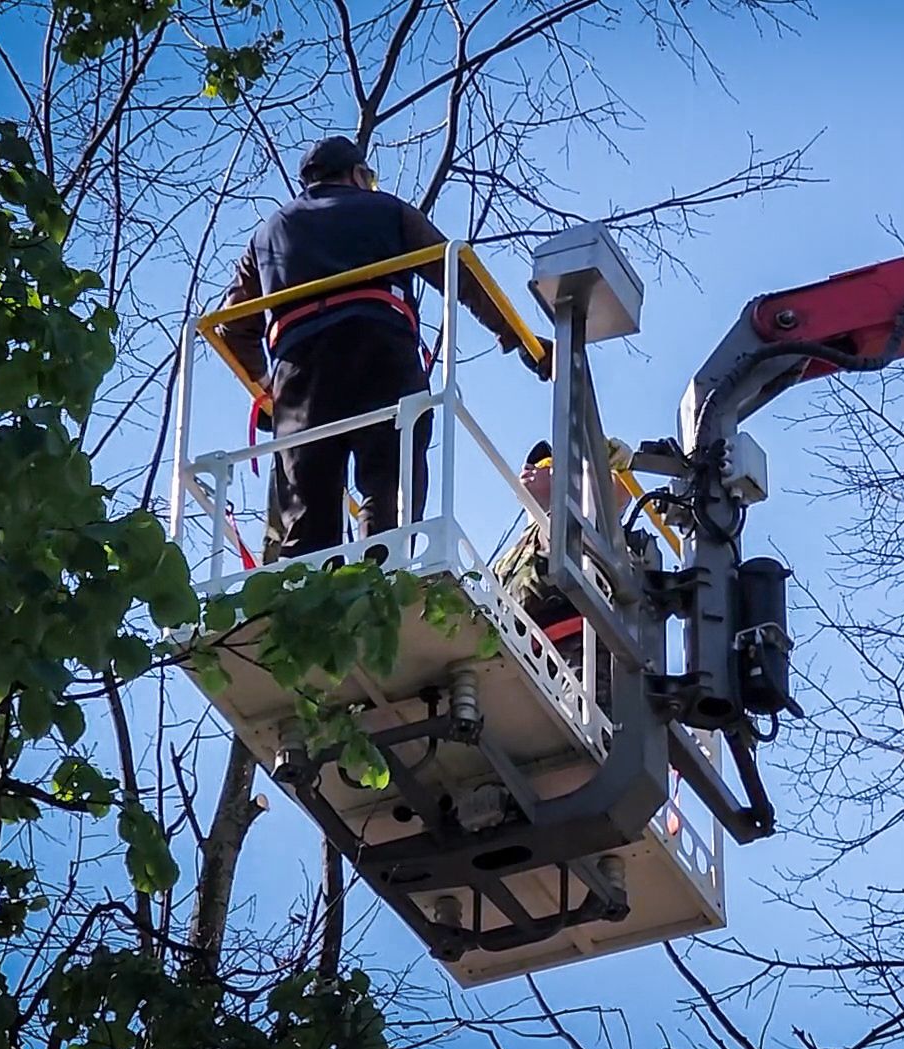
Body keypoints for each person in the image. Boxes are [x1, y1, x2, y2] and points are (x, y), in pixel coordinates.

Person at [219, 135, 548, 563]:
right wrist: (520, 338)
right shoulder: (386, 209)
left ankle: (308, 593)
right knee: (389, 479)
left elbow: (229, 324)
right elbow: (458, 273)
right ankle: (381, 577)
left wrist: (266, 389)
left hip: (301, 373)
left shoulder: (266, 236)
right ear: (358, 175)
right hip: (380, 355)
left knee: (307, 495)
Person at [490, 440, 635, 710]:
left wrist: (584, 471)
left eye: (546, 466)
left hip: (578, 656)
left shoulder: (579, 522)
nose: (532, 469)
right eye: (533, 465)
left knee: (583, 728)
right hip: (523, 666)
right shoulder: (510, 557)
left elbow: (615, 496)